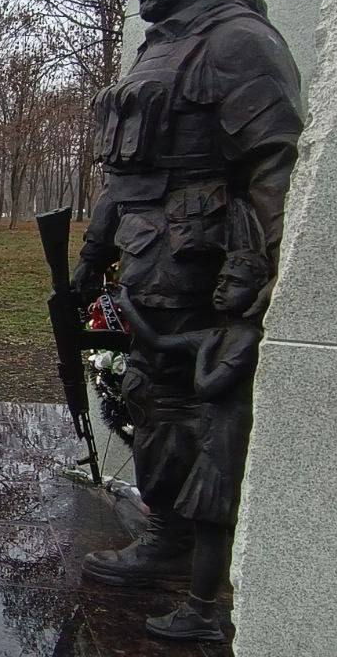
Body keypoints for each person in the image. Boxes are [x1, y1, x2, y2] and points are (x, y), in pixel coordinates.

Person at [70, 0, 303, 640]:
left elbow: (274, 170)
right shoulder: (157, 47)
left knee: (203, 424)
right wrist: (93, 256)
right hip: (149, 267)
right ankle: (165, 537)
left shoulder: (238, 42)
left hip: (206, 272)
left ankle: (204, 585)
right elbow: (126, 175)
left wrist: (254, 285)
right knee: (152, 401)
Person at [109, 199, 268, 641]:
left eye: (233, 284)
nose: (221, 289)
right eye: (221, 280)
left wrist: (202, 354)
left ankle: (202, 610)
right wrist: (126, 303)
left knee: (211, 529)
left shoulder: (241, 340)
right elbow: (159, 341)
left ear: (257, 294)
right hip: (212, 444)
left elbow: (207, 387)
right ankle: (199, 604)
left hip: (222, 450)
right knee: (207, 527)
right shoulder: (219, 334)